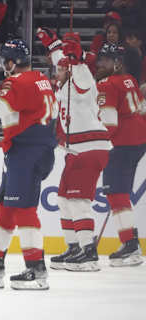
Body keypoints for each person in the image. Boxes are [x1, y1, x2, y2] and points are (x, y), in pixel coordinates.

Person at [0, 40, 57, 290]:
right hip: (32, 149)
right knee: (6, 208)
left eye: (3, 62)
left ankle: (36, 270)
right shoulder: (41, 79)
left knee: (24, 210)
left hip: (26, 152)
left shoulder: (18, 82)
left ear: (10, 62)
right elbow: (23, 111)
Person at [37, 28, 112, 271]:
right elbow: (62, 62)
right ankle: (74, 247)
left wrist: (66, 51)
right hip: (76, 150)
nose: (57, 71)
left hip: (90, 147)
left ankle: (89, 253)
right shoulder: (61, 89)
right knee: (63, 198)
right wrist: (54, 46)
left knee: (79, 200)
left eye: (60, 68)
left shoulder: (84, 79)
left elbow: (71, 64)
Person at [96, 43, 146, 267]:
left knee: (116, 193)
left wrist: (94, 140)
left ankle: (130, 245)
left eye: (105, 60)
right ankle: (130, 242)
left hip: (123, 143)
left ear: (117, 63)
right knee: (120, 193)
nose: (100, 64)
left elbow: (109, 124)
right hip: (139, 140)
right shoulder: (130, 80)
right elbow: (141, 108)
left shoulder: (106, 85)